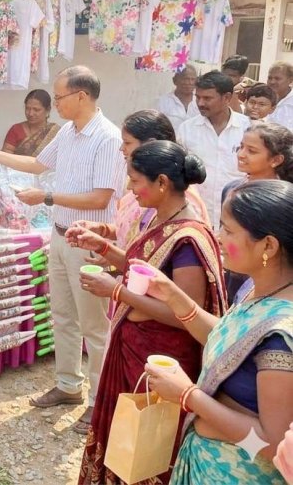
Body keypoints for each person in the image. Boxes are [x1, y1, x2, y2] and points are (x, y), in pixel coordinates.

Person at [0, 65, 126, 434]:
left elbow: (101, 197)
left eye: (59, 97)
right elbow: (38, 164)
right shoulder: (70, 133)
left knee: (94, 324)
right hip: (60, 236)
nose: (54, 103)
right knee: (63, 316)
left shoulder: (107, 138)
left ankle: (98, 400)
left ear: (82, 96)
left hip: (89, 243)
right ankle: (68, 385)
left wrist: (48, 196)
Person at [72, 141, 226, 484]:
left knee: (148, 447)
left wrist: (117, 292)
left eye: (135, 180)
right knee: (123, 437)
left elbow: (184, 313)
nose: (130, 188)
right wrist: (103, 247)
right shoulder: (160, 219)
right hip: (133, 350)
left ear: (161, 182)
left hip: (161, 360)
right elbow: (145, 269)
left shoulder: (187, 238)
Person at [139, 179, 293, 484]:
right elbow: (232, 340)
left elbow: (270, 446)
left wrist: (188, 396)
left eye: (229, 230)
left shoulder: (280, 337)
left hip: (238, 472)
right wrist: (173, 296)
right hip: (207, 458)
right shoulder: (257, 289)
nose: (218, 238)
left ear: (269, 246)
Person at [84, 110, 209, 248]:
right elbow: (133, 232)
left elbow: (163, 254)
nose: (121, 148)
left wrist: (110, 252)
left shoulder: (179, 196)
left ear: (150, 144)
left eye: (127, 142)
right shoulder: (146, 186)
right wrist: (103, 231)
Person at [221, 122, 293, 304]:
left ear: (276, 160)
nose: (241, 154)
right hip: (234, 272)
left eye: (252, 151)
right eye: (241, 147)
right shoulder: (232, 190)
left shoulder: (284, 198)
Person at [177, 70, 250, 230]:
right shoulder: (187, 130)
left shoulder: (248, 129)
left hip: (237, 217)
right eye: (198, 97)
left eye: (207, 98)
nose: (201, 103)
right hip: (196, 215)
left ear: (227, 98)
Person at [1, 89, 60, 156]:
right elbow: (5, 157)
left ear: (48, 110)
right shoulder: (16, 129)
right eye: (27, 108)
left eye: (36, 110)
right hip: (15, 166)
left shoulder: (55, 132)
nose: (30, 113)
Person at [156, 64, 200, 130]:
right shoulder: (163, 102)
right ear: (175, 80)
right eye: (185, 79)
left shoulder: (201, 102)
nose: (189, 82)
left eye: (192, 79)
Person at [266, 61, 293, 130]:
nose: (272, 82)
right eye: (270, 78)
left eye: (277, 79)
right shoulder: (263, 98)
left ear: (290, 80)